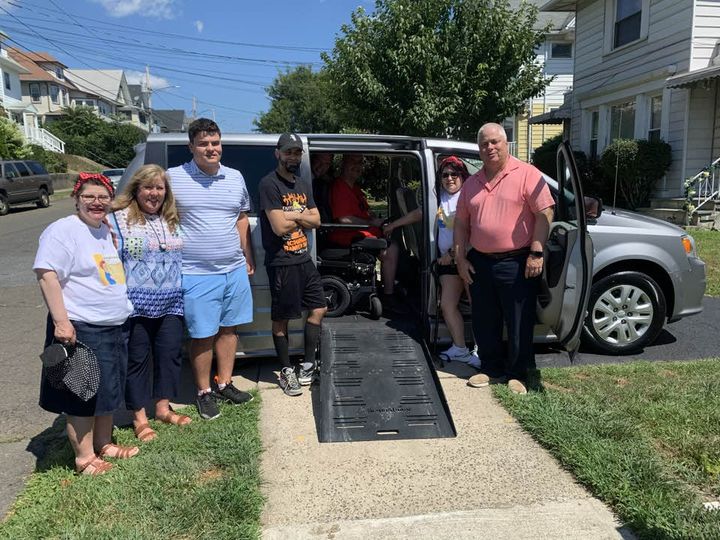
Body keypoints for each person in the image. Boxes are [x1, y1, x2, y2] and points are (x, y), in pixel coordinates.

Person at [34, 173, 137, 475]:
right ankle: (84, 458)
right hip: (81, 326)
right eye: (89, 196)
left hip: (111, 325)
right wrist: (61, 322)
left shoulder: (103, 230)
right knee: (82, 394)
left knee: (106, 391)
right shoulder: (63, 231)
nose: (97, 202)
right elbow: (47, 274)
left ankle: (103, 444)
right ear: (76, 198)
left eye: (103, 197)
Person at [454, 123, 555, 395]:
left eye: (495, 142)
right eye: (484, 143)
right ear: (479, 149)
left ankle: (518, 373)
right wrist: (460, 259)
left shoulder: (527, 174)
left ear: (506, 143)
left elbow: (545, 214)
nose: (490, 147)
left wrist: (536, 250)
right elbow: (461, 225)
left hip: (517, 260)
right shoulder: (472, 184)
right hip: (480, 262)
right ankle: (491, 369)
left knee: (519, 319)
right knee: (484, 319)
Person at [168, 118, 254, 420]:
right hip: (196, 272)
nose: (210, 148)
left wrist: (248, 256)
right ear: (191, 146)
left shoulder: (235, 177)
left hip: (233, 269)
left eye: (215, 143)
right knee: (203, 334)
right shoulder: (173, 178)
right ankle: (204, 391)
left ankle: (225, 382)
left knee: (229, 329)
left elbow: (242, 218)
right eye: (203, 143)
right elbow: (158, 215)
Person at [111, 164, 188, 441]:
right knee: (138, 360)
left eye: (159, 187)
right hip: (135, 305)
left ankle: (163, 409)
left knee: (169, 355)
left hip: (171, 302)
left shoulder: (172, 219)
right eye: (148, 187)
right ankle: (140, 418)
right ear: (136, 189)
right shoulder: (118, 219)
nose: (154, 193)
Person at [383, 156, 480, 367]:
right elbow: (420, 213)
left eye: (454, 174)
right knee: (447, 305)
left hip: (468, 258)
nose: (450, 178)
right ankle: (460, 348)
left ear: (463, 176)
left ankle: (481, 351)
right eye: (445, 175)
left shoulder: (468, 197)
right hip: (447, 261)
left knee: (478, 306)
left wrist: (453, 255)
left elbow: (473, 232)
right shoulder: (440, 197)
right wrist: (393, 225)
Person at [259, 133, 328, 396]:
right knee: (282, 319)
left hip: (304, 259)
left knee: (319, 308)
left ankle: (307, 364)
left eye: (297, 152)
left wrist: (292, 214)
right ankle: (287, 371)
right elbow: (278, 227)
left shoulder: (302, 183)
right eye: (288, 152)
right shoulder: (269, 184)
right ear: (278, 153)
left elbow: (317, 220)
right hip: (282, 262)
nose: (293, 156)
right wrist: (302, 216)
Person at [328, 154, 401, 309]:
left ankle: (388, 284)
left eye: (360, 162)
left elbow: (365, 212)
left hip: (360, 232)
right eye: (352, 161)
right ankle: (388, 296)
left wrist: (377, 221)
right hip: (347, 235)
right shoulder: (339, 187)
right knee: (391, 249)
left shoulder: (354, 188)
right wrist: (371, 223)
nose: (357, 166)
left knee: (392, 239)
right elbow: (344, 219)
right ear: (343, 165)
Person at [311, 152, 334, 223]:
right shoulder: (301, 179)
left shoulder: (325, 183)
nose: (321, 166)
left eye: (326, 164)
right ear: (312, 160)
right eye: (319, 161)